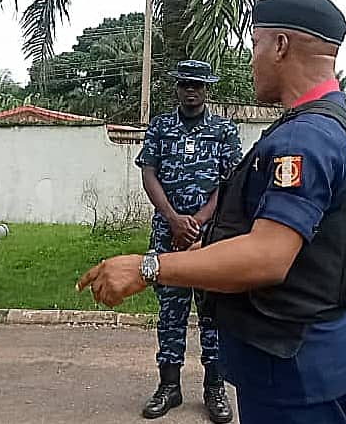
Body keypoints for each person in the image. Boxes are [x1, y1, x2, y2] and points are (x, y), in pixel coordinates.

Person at [78, 0, 346, 424]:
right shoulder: (329, 124)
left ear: (280, 46)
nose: (252, 59)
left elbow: (267, 256)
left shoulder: (305, 138)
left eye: (255, 45)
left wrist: (149, 268)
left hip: (293, 364)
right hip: (318, 352)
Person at [134, 60, 242, 422]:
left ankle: (215, 389)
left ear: (207, 88)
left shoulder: (224, 131)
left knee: (212, 313)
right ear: (177, 88)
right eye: (185, 84)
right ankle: (169, 387)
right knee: (170, 312)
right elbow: (149, 173)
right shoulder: (161, 127)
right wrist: (172, 218)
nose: (191, 90)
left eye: (197, 84)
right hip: (168, 234)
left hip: (210, 237)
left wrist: (196, 222)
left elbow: (228, 184)